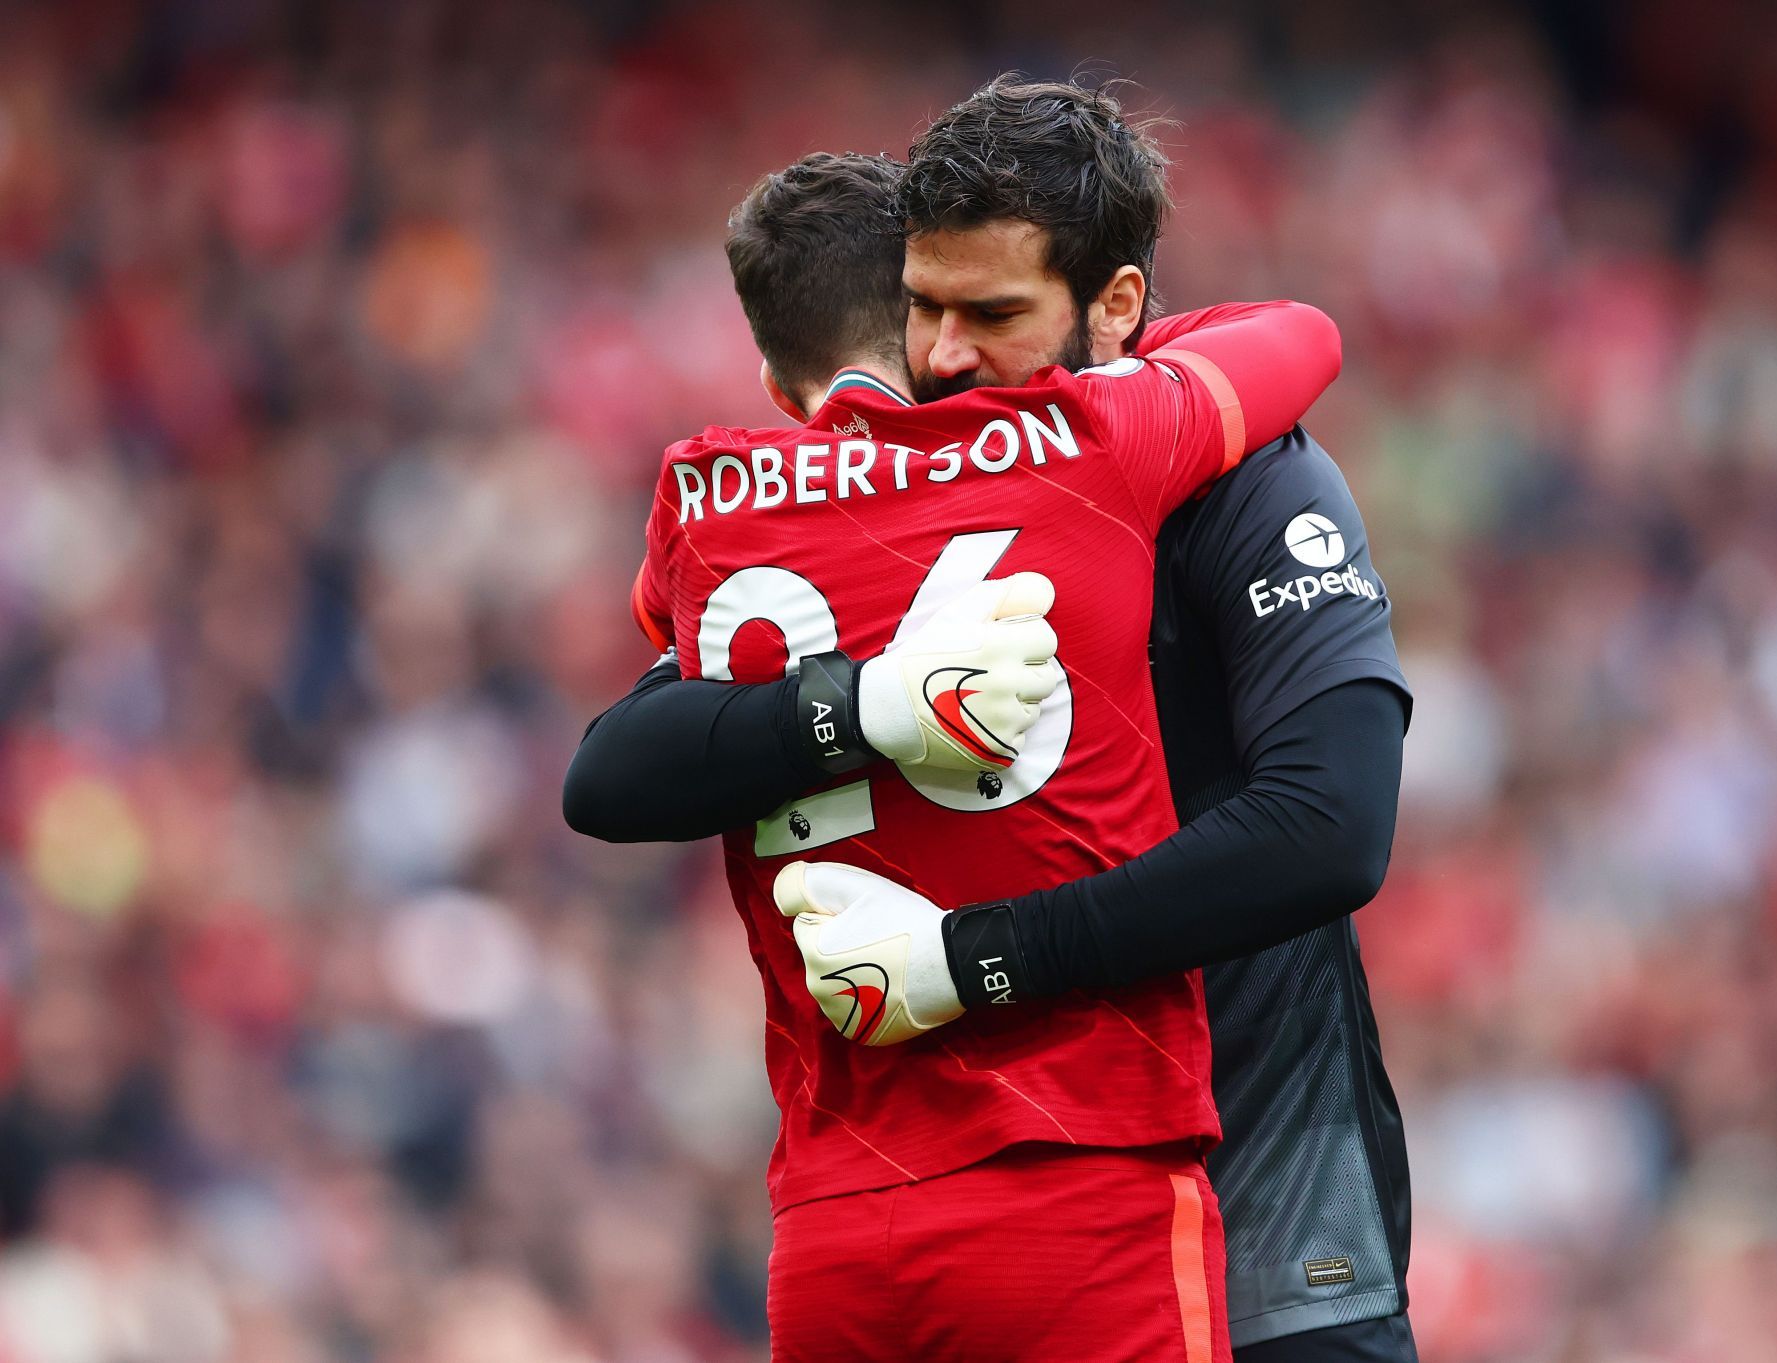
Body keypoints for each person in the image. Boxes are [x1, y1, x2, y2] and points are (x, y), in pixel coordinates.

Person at [567, 78, 1415, 1363]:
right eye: (924, 308)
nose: (948, 353)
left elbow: (1328, 828)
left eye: (995, 314)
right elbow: (622, 765)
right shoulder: (897, 494)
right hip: (1001, 1220)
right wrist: (865, 706)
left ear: (1118, 309)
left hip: (1267, 1213)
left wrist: (974, 956)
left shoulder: (1251, 477)